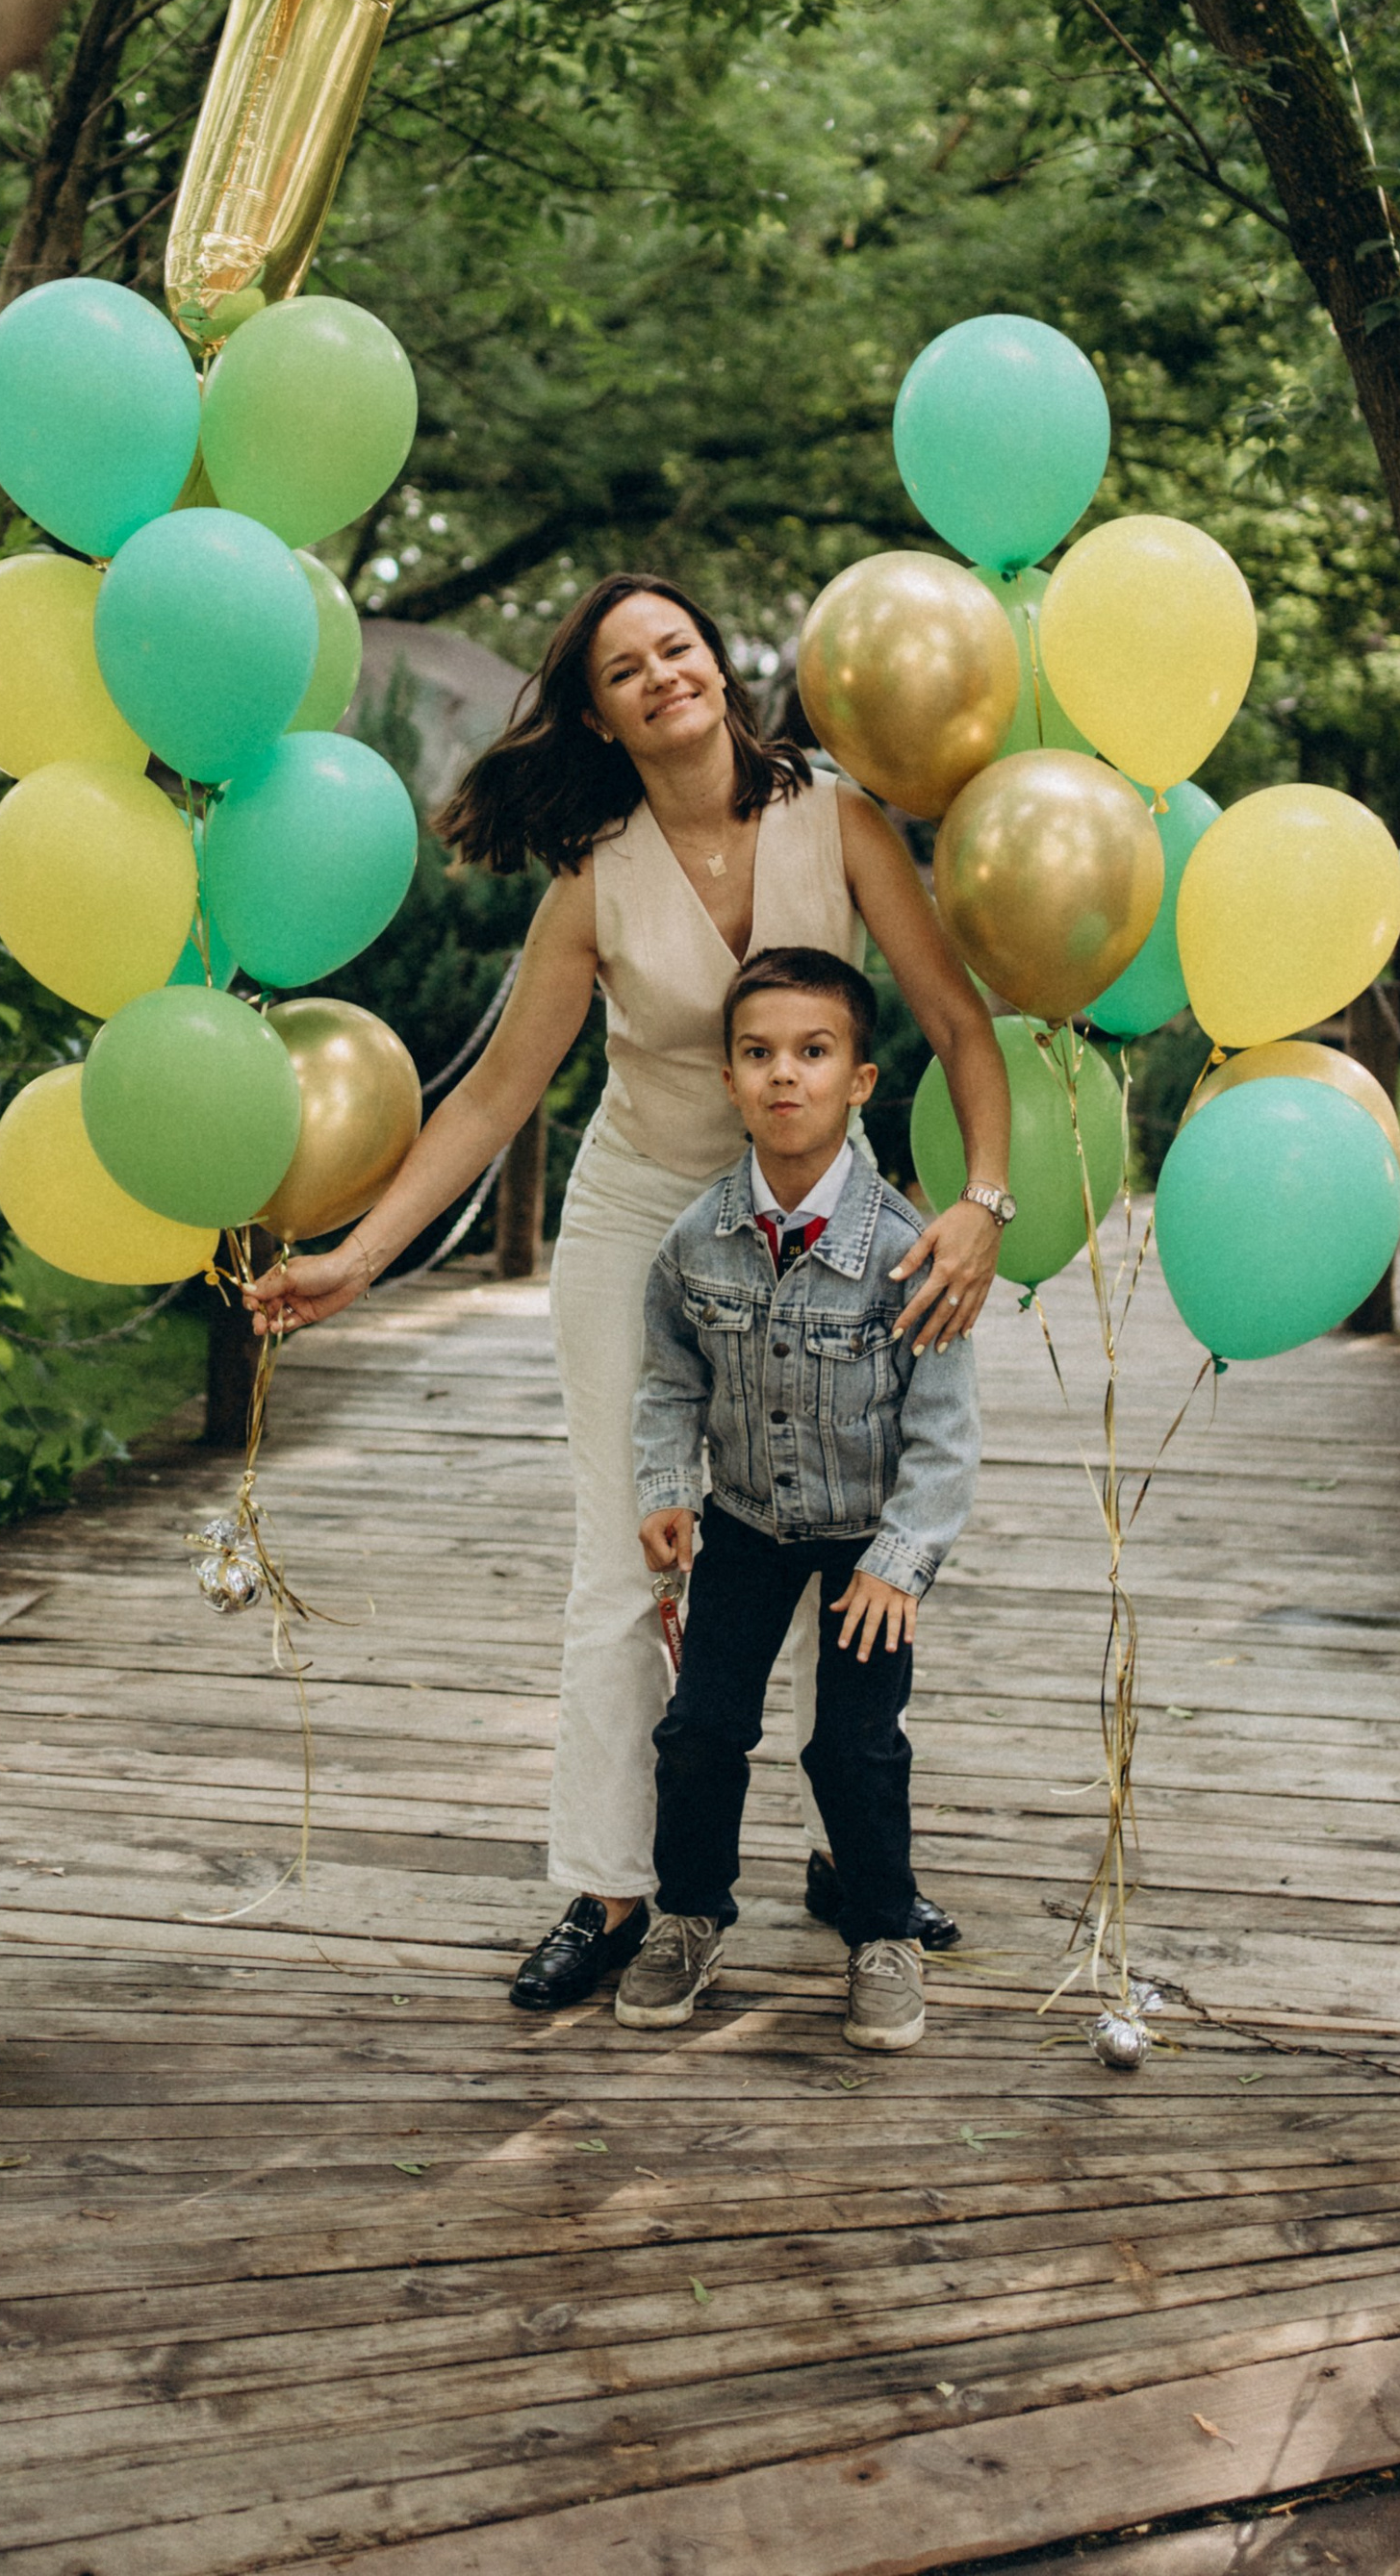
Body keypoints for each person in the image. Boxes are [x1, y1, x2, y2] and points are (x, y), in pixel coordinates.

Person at [267, 571, 1015, 2008]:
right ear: (602, 718)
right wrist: (362, 1255)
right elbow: (495, 1097)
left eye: (678, 647)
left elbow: (955, 1021)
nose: (664, 674)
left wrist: (981, 1203)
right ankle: (610, 1887)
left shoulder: (834, 816)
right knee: (628, 1563)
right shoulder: (593, 877)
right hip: (639, 1229)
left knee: (839, 1541)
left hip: (823, 1223)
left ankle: (849, 1860)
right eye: (625, 668)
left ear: (717, 671)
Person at [618, 948, 980, 2053]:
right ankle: (688, 1914)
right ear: (728, 1079)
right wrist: (670, 1487)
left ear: (860, 1081)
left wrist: (900, 1559)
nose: (786, 1075)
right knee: (699, 1728)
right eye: (759, 1053)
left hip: (867, 1537)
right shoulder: (695, 1244)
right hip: (748, 1527)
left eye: (814, 1053)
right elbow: (672, 1377)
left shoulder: (908, 1254)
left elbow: (944, 1425)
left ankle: (881, 1933)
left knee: (854, 1746)